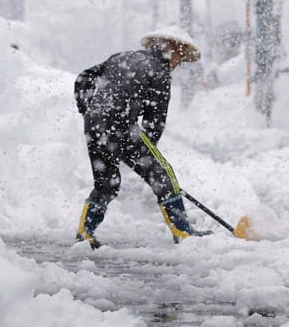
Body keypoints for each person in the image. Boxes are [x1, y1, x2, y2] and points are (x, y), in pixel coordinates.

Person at [73, 25, 212, 249]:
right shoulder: (159, 70)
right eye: (180, 58)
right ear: (172, 49)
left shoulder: (121, 57)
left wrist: (88, 110)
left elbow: (83, 78)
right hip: (122, 125)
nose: (178, 64)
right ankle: (182, 231)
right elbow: (155, 121)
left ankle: (85, 231)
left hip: (94, 125)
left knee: (107, 183)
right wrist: (147, 157)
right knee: (164, 175)